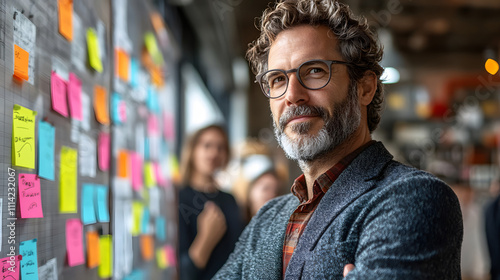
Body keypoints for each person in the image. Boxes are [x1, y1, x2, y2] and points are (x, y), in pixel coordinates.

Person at [213, 0, 463, 279]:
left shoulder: (413, 199)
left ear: (365, 88)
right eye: (278, 79)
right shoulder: (267, 218)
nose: (292, 95)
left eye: (315, 71)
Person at [177, 125, 244, 280]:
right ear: (192, 150)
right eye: (207, 145)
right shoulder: (179, 199)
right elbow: (182, 272)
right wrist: (206, 239)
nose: (214, 153)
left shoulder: (230, 200)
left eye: (220, 148)